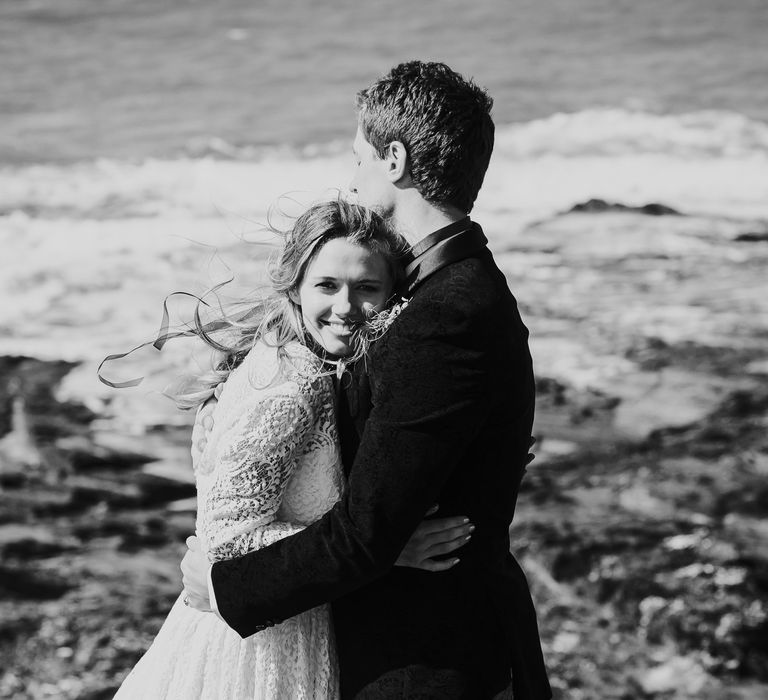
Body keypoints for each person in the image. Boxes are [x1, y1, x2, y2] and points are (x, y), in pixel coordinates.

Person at [182, 61, 552, 699]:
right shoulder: (444, 291)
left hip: (427, 659)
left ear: (396, 160)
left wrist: (222, 586)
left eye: (358, 158)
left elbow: (365, 535)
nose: (349, 178)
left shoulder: (446, 314)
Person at [113, 200, 472, 699]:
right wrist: (383, 552)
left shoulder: (312, 363)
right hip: (257, 647)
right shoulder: (290, 386)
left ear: (392, 296)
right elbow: (225, 541)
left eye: (367, 288)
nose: (345, 306)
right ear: (295, 287)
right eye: (327, 286)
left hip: (285, 620)